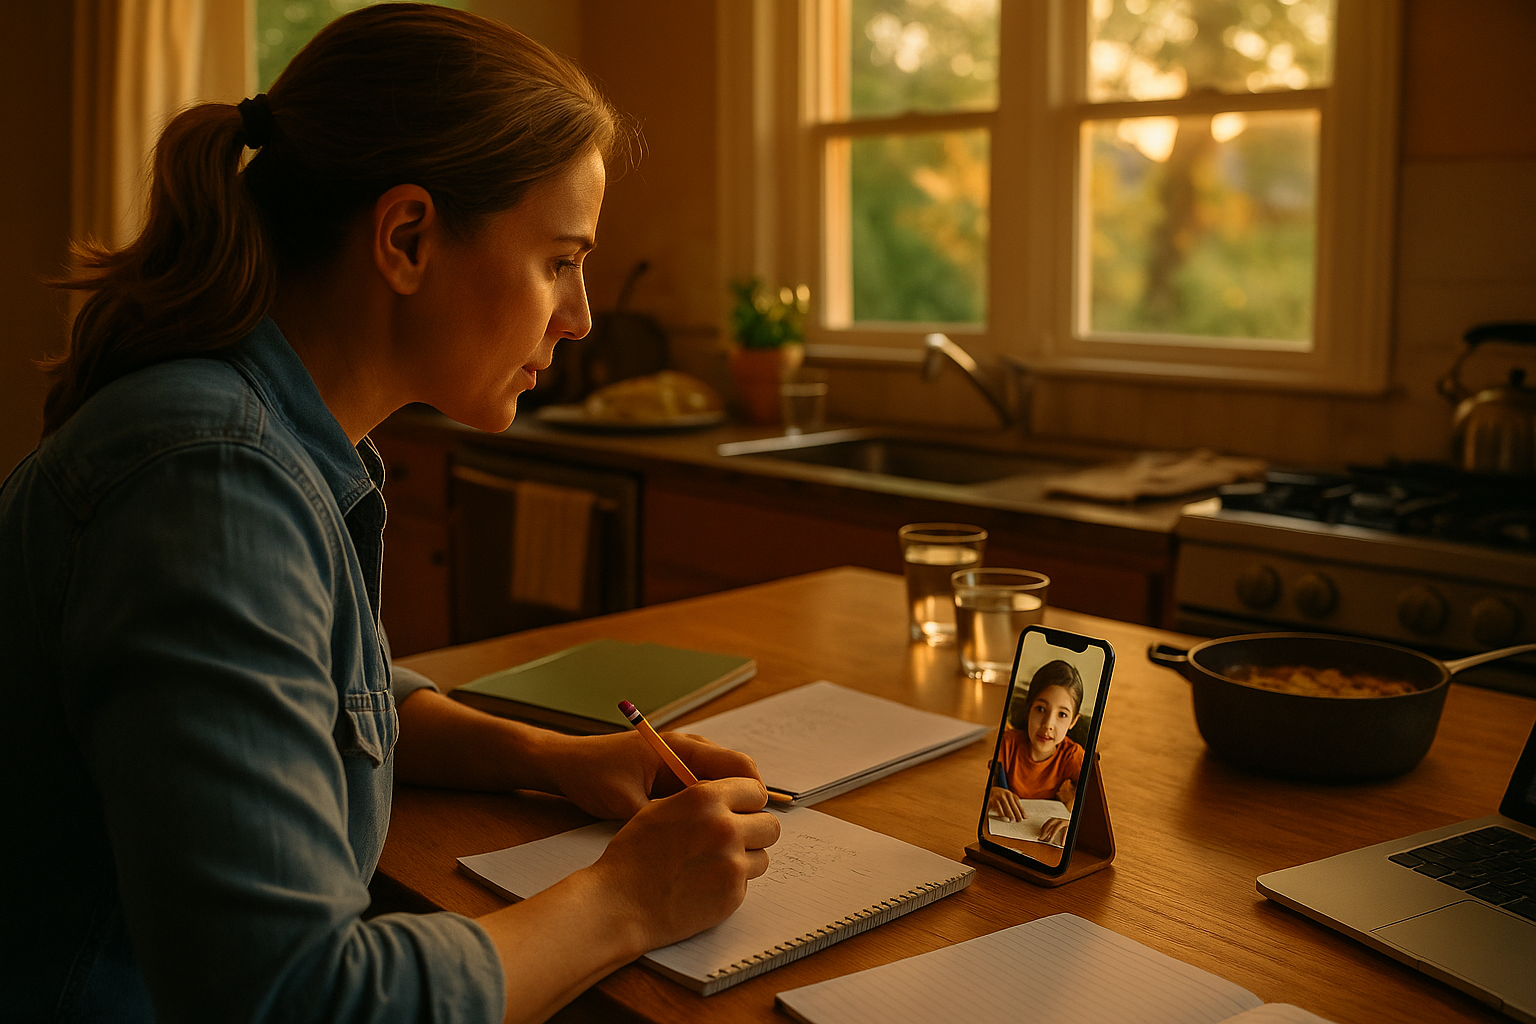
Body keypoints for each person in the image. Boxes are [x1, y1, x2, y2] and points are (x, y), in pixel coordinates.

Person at [0, 6, 779, 1023]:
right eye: (559, 259)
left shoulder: (271, 436)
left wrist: (555, 759)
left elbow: (329, 697)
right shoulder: (211, 480)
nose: (580, 316)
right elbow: (298, 1000)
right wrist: (627, 898)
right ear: (407, 237)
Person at [986, 659, 1087, 845]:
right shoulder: (1006, 744)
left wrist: (1074, 823)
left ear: (1073, 721)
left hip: (1045, 839)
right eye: (1040, 709)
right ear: (1028, 709)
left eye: (1062, 714)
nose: (1048, 724)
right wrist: (991, 792)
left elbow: (1094, 808)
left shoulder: (1072, 755)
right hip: (1002, 835)